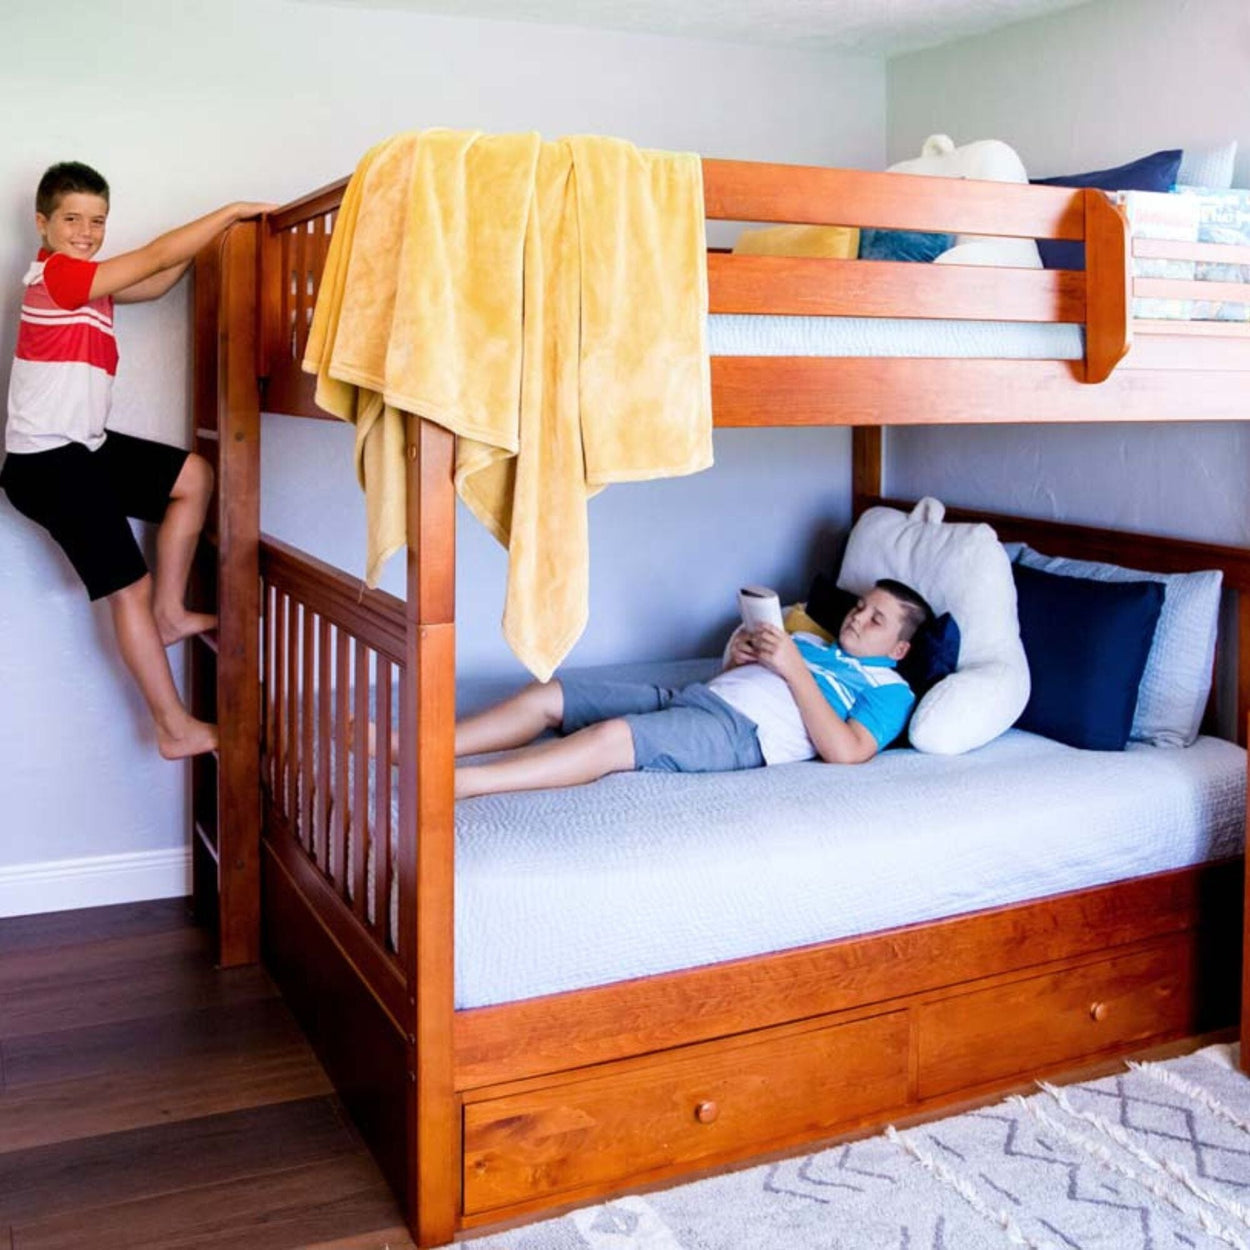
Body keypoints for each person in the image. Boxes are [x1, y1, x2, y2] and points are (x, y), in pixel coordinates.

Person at [0, 161, 276, 759]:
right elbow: (151, 258)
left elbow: (153, 280)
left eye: (97, 221)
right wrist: (228, 212)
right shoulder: (59, 276)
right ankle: (174, 728)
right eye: (71, 219)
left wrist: (212, 242)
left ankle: (171, 614)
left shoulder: (89, 285)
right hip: (45, 464)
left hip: (83, 449)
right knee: (129, 590)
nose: (85, 231)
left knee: (192, 477)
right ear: (42, 223)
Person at [454, 578, 931, 799]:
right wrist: (736, 658)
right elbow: (730, 683)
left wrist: (793, 670)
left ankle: (467, 783)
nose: (858, 616)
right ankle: (421, 746)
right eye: (861, 605)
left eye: (877, 619)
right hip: (698, 697)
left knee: (612, 738)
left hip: (740, 733)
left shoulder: (891, 689)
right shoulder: (808, 639)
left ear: (899, 649)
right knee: (551, 694)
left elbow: (846, 752)